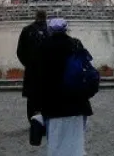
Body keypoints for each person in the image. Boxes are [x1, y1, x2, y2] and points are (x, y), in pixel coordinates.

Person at [31, 18, 94, 156]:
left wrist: (37, 104)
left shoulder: (42, 47)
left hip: (52, 105)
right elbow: (89, 73)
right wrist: (86, 93)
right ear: (66, 29)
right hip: (77, 103)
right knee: (76, 144)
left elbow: (36, 79)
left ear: (50, 30)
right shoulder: (76, 44)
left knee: (55, 144)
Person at [17, 10, 49, 122]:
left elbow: (20, 51)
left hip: (32, 70)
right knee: (46, 97)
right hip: (47, 71)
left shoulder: (27, 30)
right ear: (46, 17)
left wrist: (28, 64)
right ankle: (45, 120)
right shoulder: (50, 31)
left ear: (36, 17)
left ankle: (32, 122)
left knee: (32, 98)